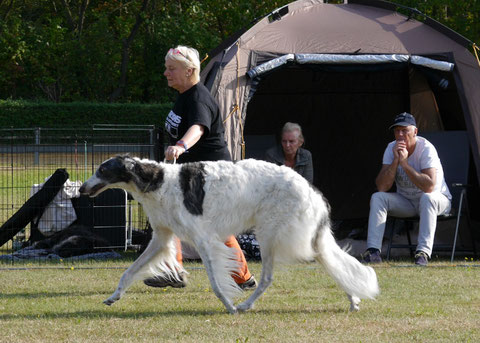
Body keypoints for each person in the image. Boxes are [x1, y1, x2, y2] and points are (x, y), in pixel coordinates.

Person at [143, 45, 257, 290]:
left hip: (213, 177)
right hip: (193, 176)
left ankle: (243, 278)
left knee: (214, 227)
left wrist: (181, 145)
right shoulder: (185, 95)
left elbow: (199, 127)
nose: (166, 73)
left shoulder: (198, 98)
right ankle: (173, 271)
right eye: (166, 68)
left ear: (189, 71)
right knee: (171, 216)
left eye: (171, 68)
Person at [362, 112, 452, 266]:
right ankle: (373, 252)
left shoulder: (426, 149)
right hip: (408, 202)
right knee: (378, 197)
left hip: (437, 200)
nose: (400, 134)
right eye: (397, 131)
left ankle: (422, 253)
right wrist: (396, 161)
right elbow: (382, 186)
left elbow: (429, 186)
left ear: (415, 132)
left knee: (427, 197)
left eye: (405, 130)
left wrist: (405, 164)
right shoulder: (391, 148)